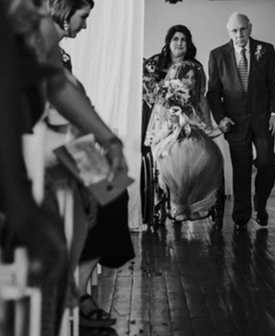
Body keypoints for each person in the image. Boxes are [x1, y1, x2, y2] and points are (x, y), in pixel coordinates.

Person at [48, 0, 135, 328]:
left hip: (70, 140)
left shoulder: (57, 50)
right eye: (83, 17)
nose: (85, 25)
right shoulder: (36, 47)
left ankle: (78, 291)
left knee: (113, 193)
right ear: (64, 10)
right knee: (102, 195)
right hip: (46, 140)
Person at [206, 12, 275, 231]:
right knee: (241, 169)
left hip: (263, 120)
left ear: (250, 27)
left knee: (267, 162)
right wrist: (221, 118)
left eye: (242, 29)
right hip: (235, 124)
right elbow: (213, 93)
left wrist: (274, 114)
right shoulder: (217, 55)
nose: (239, 34)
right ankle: (241, 217)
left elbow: (274, 87)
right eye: (234, 31)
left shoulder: (266, 50)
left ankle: (260, 204)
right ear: (228, 31)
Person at [146, 61, 224, 222]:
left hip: (197, 142)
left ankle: (195, 204)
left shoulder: (201, 102)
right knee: (178, 159)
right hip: (170, 142)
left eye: (193, 78)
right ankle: (178, 205)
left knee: (203, 157)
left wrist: (220, 128)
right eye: (186, 77)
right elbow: (157, 134)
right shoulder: (165, 101)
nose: (190, 81)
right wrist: (172, 123)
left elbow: (206, 129)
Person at [142, 24, 200, 225]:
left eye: (183, 39)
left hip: (187, 116)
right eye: (175, 39)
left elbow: (200, 94)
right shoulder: (155, 63)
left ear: (188, 43)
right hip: (159, 116)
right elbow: (145, 88)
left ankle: (184, 202)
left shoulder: (195, 66)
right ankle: (160, 199)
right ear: (168, 42)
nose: (179, 43)